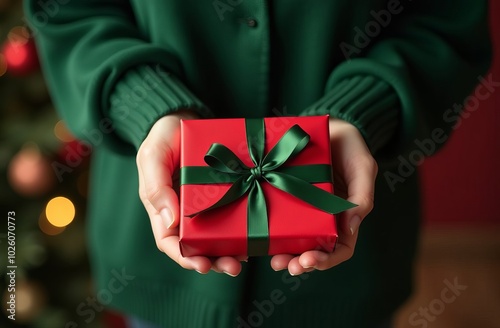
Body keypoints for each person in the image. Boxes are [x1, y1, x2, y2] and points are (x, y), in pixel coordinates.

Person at [25, 1, 491, 327]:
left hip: (350, 273)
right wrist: (145, 103)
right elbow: (67, 11)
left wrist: (367, 106)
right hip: (157, 262)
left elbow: (446, 19)